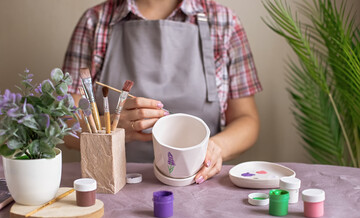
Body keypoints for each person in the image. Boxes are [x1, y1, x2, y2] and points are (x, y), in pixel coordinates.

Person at [63, 0, 262, 184]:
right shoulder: (95, 22)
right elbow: (64, 124)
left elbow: (246, 119)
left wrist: (217, 148)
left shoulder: (224, 22)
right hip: (114, 183)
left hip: (202, 183)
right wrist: (108, 130)